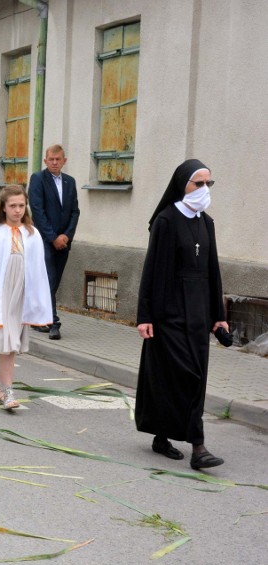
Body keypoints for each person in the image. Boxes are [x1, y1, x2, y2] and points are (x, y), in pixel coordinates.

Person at [136, 159, 228, 470]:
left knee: (189, 377)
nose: (204, 190)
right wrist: (145, 315)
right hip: (169, 312)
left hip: (200, 314)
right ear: (182, 185)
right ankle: (198, 448)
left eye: (208, 184)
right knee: (184, 376)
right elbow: (151, 272)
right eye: (197, 183)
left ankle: (162, 436)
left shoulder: (207, 223)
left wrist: (219, 315)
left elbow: (213, 271)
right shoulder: (166, 220)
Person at [0, 186, 52, 409]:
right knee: (7, 340)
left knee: (11, 343)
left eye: (21, 206)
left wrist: (37, 300)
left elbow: (37, 270)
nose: (17, 210)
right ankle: (7, 392)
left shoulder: (32, 234)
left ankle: (1, 388)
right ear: (3, 207)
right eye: (12, 206)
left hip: (21, 292)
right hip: (1, 293)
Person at [28, 144, 80, 340]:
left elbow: (75, 211)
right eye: (51, 159)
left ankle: (38, 316)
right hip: (44, 240)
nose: (55, 162)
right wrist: (52, 237)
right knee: (48, 279)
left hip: (64, 241)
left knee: (54, 281)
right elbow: (37, 210)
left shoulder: (70, 181)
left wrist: (66, 235)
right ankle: (53, 322)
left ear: (64, 160)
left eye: (58, 159)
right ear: (45, 161)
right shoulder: (38, 179)